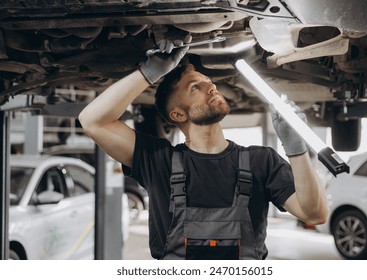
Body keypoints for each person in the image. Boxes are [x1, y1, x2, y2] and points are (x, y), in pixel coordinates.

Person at [78, 35, 329, 260]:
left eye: (209, 82)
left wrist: (296, 148)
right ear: (177, 114)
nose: (212, 87)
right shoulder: (159, 161)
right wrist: (148, 73)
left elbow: (314, 214)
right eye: (195, 87)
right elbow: (93, 121)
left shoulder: (261, 161)